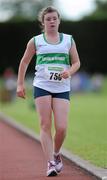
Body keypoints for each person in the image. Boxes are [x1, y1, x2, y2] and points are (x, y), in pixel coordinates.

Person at [17, 6, 80, 177]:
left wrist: (69, 72)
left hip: (62, 86)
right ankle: (51, 163)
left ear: (59, 21)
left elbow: (76, 62)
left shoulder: (68, 40)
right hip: (42, 85)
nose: (51, 21)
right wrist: (20, 84)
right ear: (43, 22)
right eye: (48, 19)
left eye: (54, 18)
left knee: (61, 127)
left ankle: (56, 153)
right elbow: (24, 62)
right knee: (45, 124)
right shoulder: (36, 41)